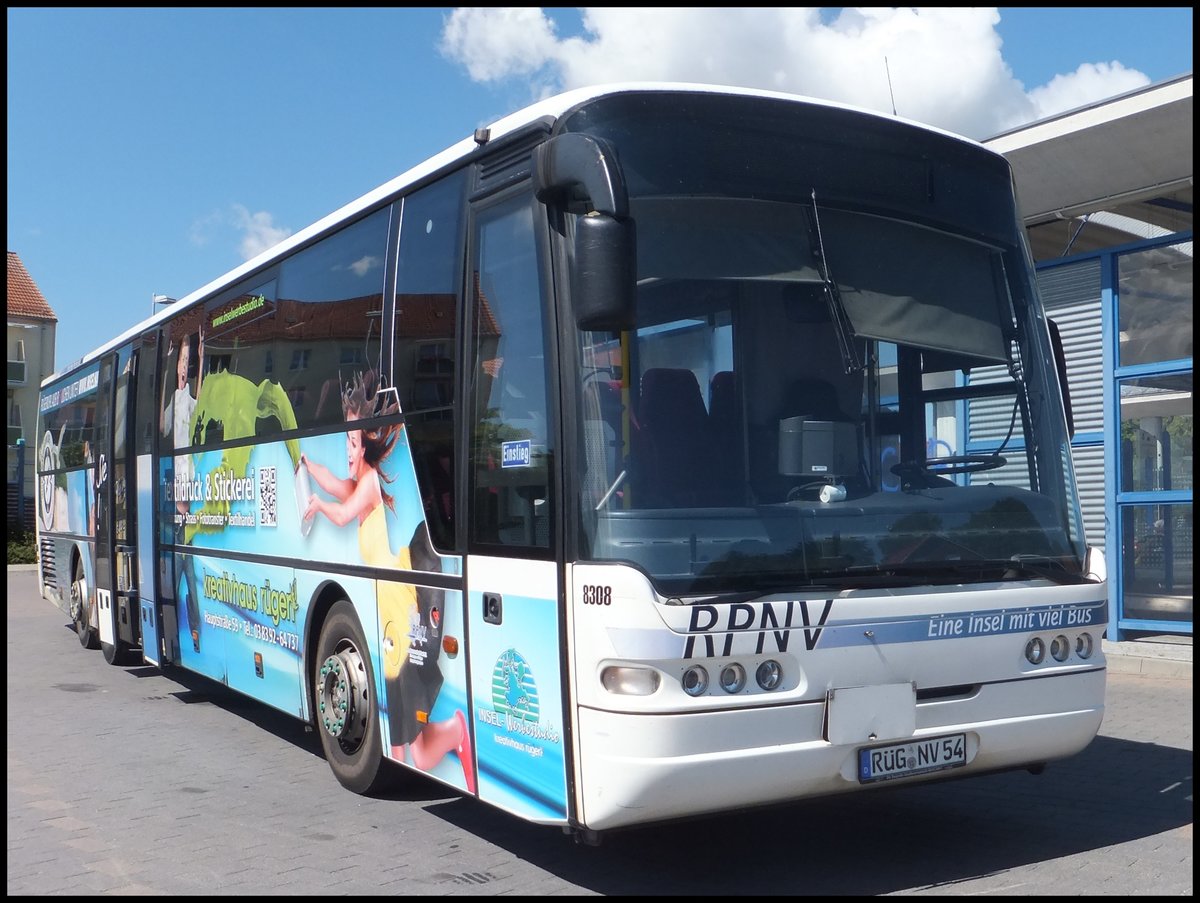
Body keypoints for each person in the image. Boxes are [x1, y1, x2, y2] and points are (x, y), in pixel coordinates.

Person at [301, 370, 474, 793]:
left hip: (400, 598)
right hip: (389, 603)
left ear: (367, 445)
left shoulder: (371, 482)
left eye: (353, 442)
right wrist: (308, 465)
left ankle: (454, 732)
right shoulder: (357, 482)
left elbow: (341, 513)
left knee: (406, 746)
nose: (348, 448)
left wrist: (317, 506)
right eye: (345, 439)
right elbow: (335, 484)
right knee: (407, 752)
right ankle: (452, 732)